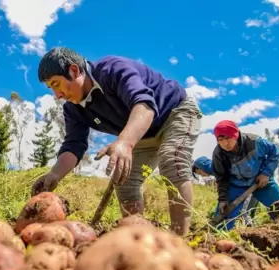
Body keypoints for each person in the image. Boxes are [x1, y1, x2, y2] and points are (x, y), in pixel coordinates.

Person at [31, 47, 203, 236]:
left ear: (73, 70)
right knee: (124, 179)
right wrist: (54, 174)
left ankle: (180, 239)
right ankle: (136, 238)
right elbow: (74, 144)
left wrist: (125, 143)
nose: (57, 95)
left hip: (174, 112)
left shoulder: (112, 69)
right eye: (51, 88)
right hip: (143, 134)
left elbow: (144, 105)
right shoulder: (73, 109)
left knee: (172, 160)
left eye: (57, 84)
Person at [211, 120, 279, 230]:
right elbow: (222, 178)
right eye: (221, 140)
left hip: (261, 180)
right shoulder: (219, 154)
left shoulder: (255, 142)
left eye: (228, 138)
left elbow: (275, 152)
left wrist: (266, 173)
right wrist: (222, 199)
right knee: (223, 220)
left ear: (236, 135)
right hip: (237, 185)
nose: (225, 143)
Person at [192, 156, 260, 225]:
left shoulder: (216, 168)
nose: (202, 176)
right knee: (248, 213)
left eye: (200, 173)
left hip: (250, 185)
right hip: (253, 183)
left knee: (244, 213)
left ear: (202, 166)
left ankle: (251, 233)